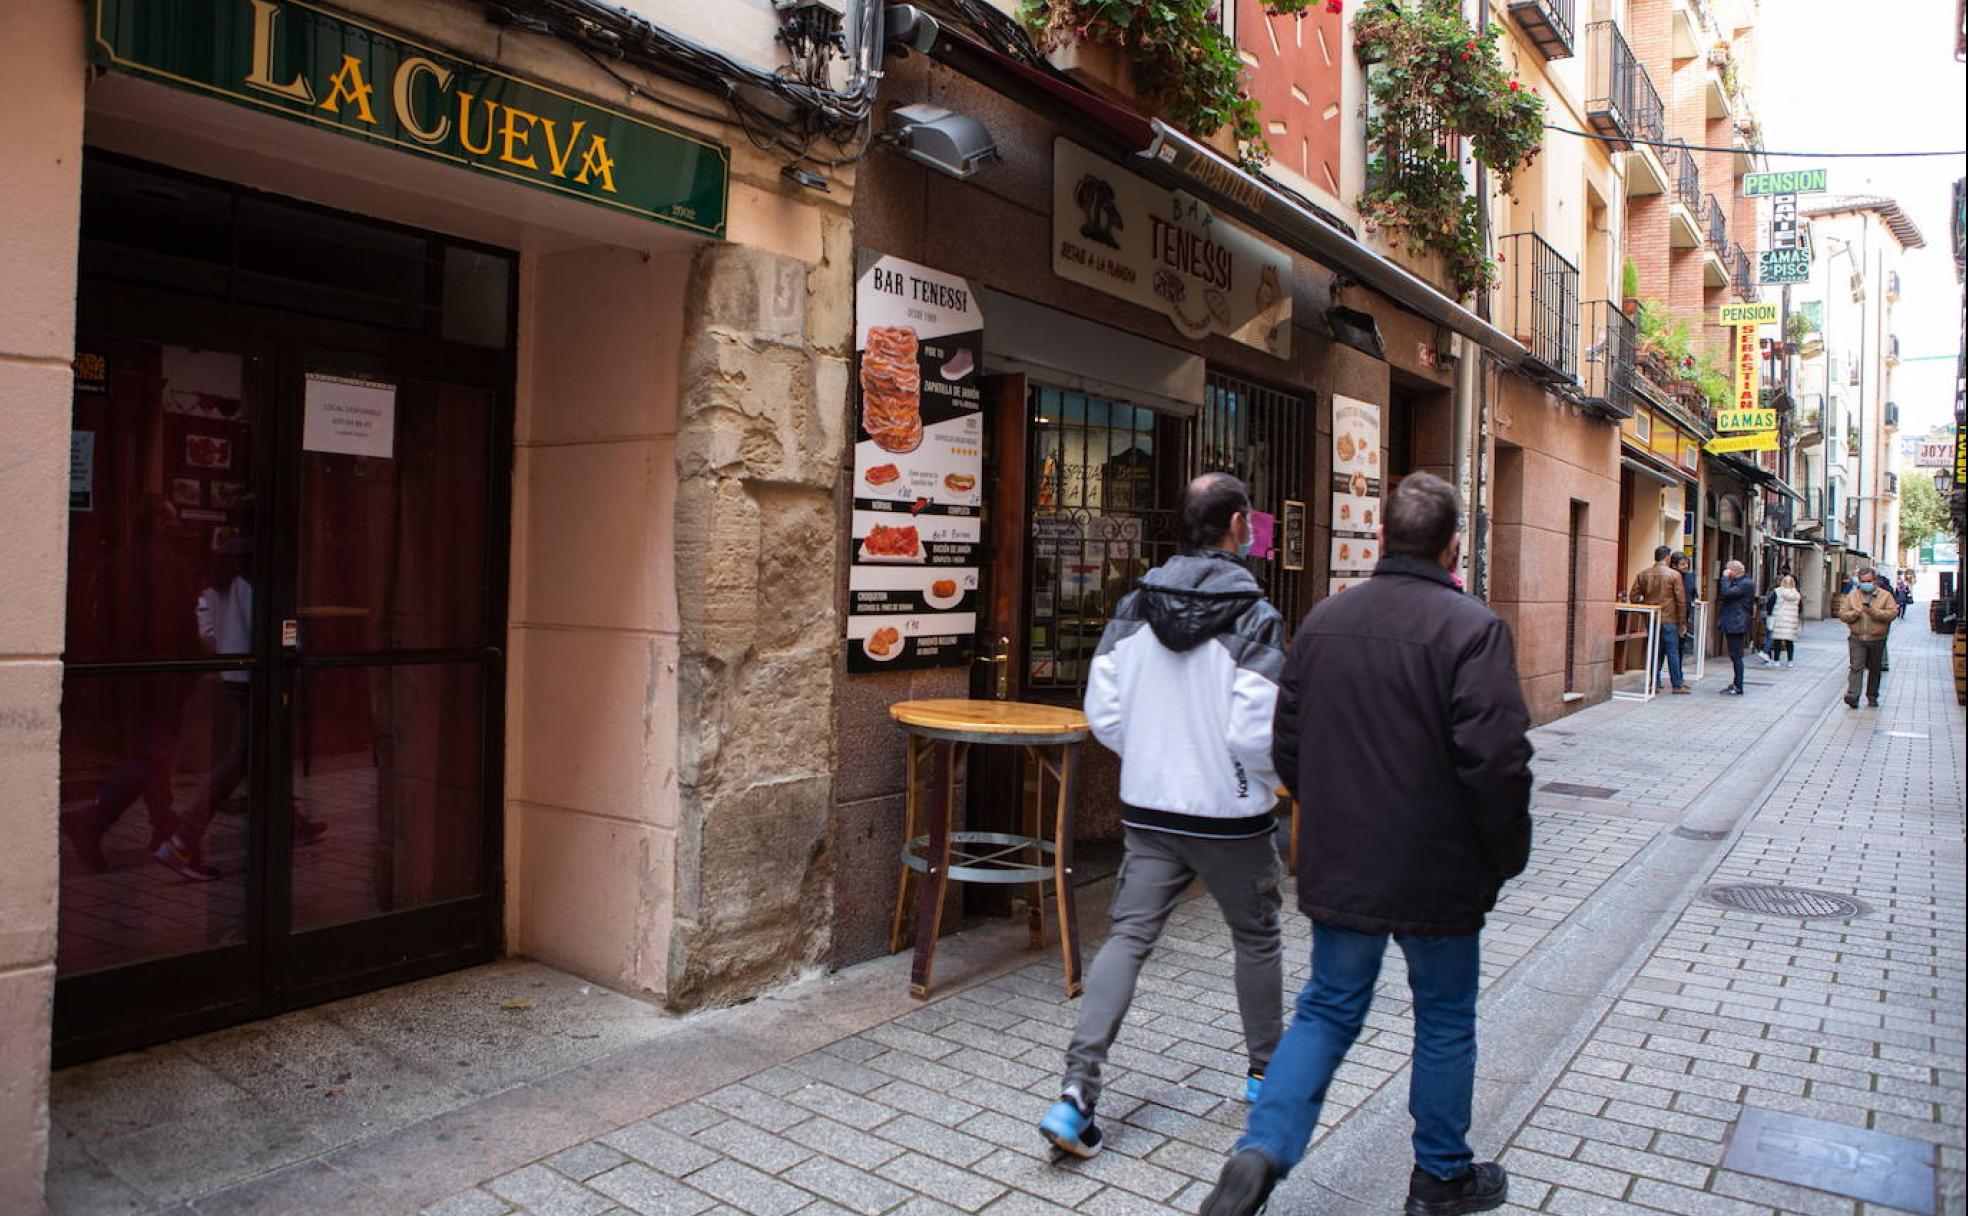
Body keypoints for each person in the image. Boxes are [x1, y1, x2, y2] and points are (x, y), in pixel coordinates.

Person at [1202, 473, 1533, 1216]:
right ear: (1454, 545)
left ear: (1382, 537)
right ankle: (1439, 1177)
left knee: (1327, 1007)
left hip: (1343, 854)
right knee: (1444, 1015)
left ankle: (1261, 1151)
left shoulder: (1323, 620)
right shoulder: (1473, 629)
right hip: (1441, 867)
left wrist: (1329, 809)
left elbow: (1288, 745)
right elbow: (1498, 762)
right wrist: (1505, 853)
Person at [1040, 472, 1287, 1159]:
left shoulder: (1132, 606)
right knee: (1257, 938)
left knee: (1127, 939)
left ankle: (1076, 1095)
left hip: (1150, 810)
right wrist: (1258, 783)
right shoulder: (1256, 615)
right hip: (1230, 817)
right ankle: (1267, 1077)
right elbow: (1253, 734)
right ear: (1237, 523)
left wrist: (1150, 756)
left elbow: (1104, 715)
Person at [1628, 546, 1689, 695]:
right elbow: (1680, 601)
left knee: (1654, 651)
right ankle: (1677, 684)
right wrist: (1682, 622)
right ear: (1667, 558)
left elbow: (1633, 597)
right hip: (1669, 618)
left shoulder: (1643, 574)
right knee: (1672, 652)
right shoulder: (1674, 575)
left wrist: (1646, 608)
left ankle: (1653, 683)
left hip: (1652, 618)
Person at [1836, 566, 1898, 709]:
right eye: (1863, 581)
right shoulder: (1853, 596)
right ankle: (1853, 696)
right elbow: (1843, 614)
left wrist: (1874, 612)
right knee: (1856, 667)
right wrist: (1855, 613)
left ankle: (1872, 696)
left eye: (1869, 581)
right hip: (1857, 637)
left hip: (1877, 638)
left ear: (1874, 580)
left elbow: (1892, 614)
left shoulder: (1885, 596)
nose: (1866, 583)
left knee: (1875, 669)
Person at [1716, 560, 1756, 695]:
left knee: (1736, 656)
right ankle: (1736, 683)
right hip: (1734, 622)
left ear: (1734, 571)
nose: (1726, 572)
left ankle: (1738, 685)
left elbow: (1726, 593)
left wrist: (1724, 578)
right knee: (1734, 655)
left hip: (1737, 623)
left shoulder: (1745, 584)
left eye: (1728, 570)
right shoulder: (1741, 582)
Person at [1768, 574, 1802, 667]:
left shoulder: (1777, 592)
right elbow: (1800, 608)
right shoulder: (1796, 594)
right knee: (1789, 641)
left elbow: (1770, 604)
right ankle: (1790, 661)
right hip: (1791, 620)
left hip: (1779, 618)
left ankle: (1776, 660)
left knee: (1778, 640)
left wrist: (1770, 614)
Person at [1671, 552, 1699, 661]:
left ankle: (1678, 671)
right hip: (1672, 614)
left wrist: (1695, 599)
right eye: (1682, 564)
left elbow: (1694, 592)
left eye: (1686, 563)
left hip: (1685, 615)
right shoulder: (1671, 577)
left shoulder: (1690, 576)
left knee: (1681, 644)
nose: (1686, 566)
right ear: (1674, 565)